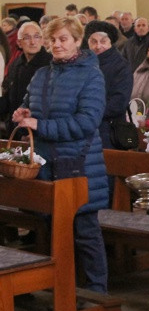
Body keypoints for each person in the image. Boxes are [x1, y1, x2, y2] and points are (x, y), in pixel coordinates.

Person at [12, 17, 109, 293]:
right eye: (52, 39)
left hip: (79, 163)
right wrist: (23, 113)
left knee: (85, 232)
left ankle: (95, 292)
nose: (56, 44)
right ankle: (63, 287)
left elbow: (86, 122)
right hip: (46, 163)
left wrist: (40, 125)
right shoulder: (42, 73)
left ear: (78, 41)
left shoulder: (91, 75)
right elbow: (29, 104)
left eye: (63, 39)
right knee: (54, 231)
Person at [84, 21, 134, 149]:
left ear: (110, 42)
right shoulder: (83, 64)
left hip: (109, 131)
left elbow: (119, 102)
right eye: (93, 41)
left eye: (103, 41)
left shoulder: (121, 66)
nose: (98, 46)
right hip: (85, 128)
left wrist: (89, 114)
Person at [1, 22, 51, 133]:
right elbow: (8, 96)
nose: (33, 42)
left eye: (37, 37)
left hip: (38, 130)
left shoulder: (51, 64)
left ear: (42, 40)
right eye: (27, 38)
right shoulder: (15, 64)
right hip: (15, 127)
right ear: (19, 42)